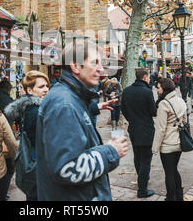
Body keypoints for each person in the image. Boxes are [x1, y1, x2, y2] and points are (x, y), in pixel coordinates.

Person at [36, 39, 128, 201]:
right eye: (95, 63)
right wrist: (111, 152)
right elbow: (65, 169)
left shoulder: (70, 97)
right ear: (75, 66)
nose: (101, 69)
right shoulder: (64, 105)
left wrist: (93, 108)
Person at [4, 70, 49, 201]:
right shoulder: (36, 111)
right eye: (41, 87)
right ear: (29, 90)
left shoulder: (31, 107)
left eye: (47, 86)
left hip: (35, 163)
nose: (46, 89)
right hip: (39, 165)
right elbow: (40, 142)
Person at [121, 67, 157, 198]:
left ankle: (142, 179)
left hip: (133, 128)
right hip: (146, 129)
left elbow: (123, 109)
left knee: (138, 156)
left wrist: (131, 119)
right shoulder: (147, 92)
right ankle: (142, 189)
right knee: (146, 159)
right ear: (145, 77)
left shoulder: (126, 91)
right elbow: (153, 112)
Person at [152, 78, 187, 201]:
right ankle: (179, 196)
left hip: (167, 144)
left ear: (165, 89)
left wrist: (155, 148)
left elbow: (160, 129)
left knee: (169, 173)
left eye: (159, 87)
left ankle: (170, 197)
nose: (157, 90)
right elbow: (184, 121)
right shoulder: (181, 101)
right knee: (174, 169)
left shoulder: (164, 104)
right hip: (179, 142)